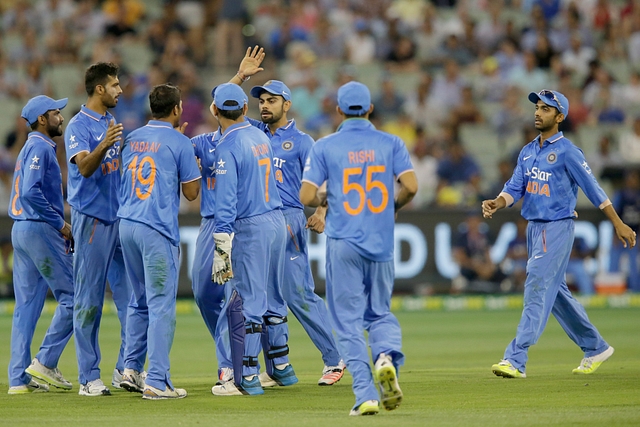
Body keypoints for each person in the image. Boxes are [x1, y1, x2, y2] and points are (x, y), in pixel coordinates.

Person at [482, 89, 637, 379]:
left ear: (560, 116)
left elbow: (594, 190)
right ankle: (595, 347)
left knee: (537, 287)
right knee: (555, 294)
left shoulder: (568, 152)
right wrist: (497, 202)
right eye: (537, 107)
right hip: (534, 228)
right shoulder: (528, 150)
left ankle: (515, 358)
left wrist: (618, 222)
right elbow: (514, 187)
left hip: (556, 227)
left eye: (546, 108)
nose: (538, 112)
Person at [300, 81, 418, 416]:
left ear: (338, 110)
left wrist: (326, 198)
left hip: (344, 241)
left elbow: (307, 197)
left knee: (347, 322)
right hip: (380, 241)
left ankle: (365, 394)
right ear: (370, 109)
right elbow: (411, 186)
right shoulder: (391, 142)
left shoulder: (326, 146)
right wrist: (392, 207)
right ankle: (385, 355)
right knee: (379, 312)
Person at [230, 46, 345, 386]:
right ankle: (278, 366)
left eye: (272, 100)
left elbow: (327, 181)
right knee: (262, 299)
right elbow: (219, 107)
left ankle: (334, 359)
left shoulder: (302, 141)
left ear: (287, 104)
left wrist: (322, 210)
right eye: (261, 100)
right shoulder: (250, 132)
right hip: (256, 222)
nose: (264, 105)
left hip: (290, 219)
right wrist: (240, 76)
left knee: (298, 293)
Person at [209, 83, 293, 397]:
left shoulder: (227, 146)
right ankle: (282, 368)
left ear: (216, 111)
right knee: (273, 296)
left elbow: (226, 201)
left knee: (249, 303)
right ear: (246, 109)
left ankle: (247, 377)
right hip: (276, 219)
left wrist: (221, 245)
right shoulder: (261, 135)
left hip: (250, 227)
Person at [117, 83, 200, 399]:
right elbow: (191, 193)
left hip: (128, 224)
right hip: (155, 228)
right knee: (162, 305)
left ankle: (131, 370)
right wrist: (186, 155)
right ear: (177, 109)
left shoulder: (133, 137)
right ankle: (157, 380)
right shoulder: (180, 142)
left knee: (139, 301)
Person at [64, 62, 130, 396]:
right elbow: (86, 168)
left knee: (131, 298)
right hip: (91, 219)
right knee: (89, 299)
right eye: (115, 85)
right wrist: (103, 144)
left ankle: (126, 368)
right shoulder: (78, 126)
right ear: (99, 89)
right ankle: (88, 377)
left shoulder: (110, 122)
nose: (121, 90)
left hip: (119, 217)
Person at [8, 95, 74, 394]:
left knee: (26, 307)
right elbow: (31, 193)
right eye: (56, 112)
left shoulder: (31, 146)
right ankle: (45, 361)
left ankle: (18, 379)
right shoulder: (40, 146)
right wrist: (61, 224)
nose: (61, 116)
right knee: (75, 297)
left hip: (20, 229)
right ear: (42, 119)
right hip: (39, 229)